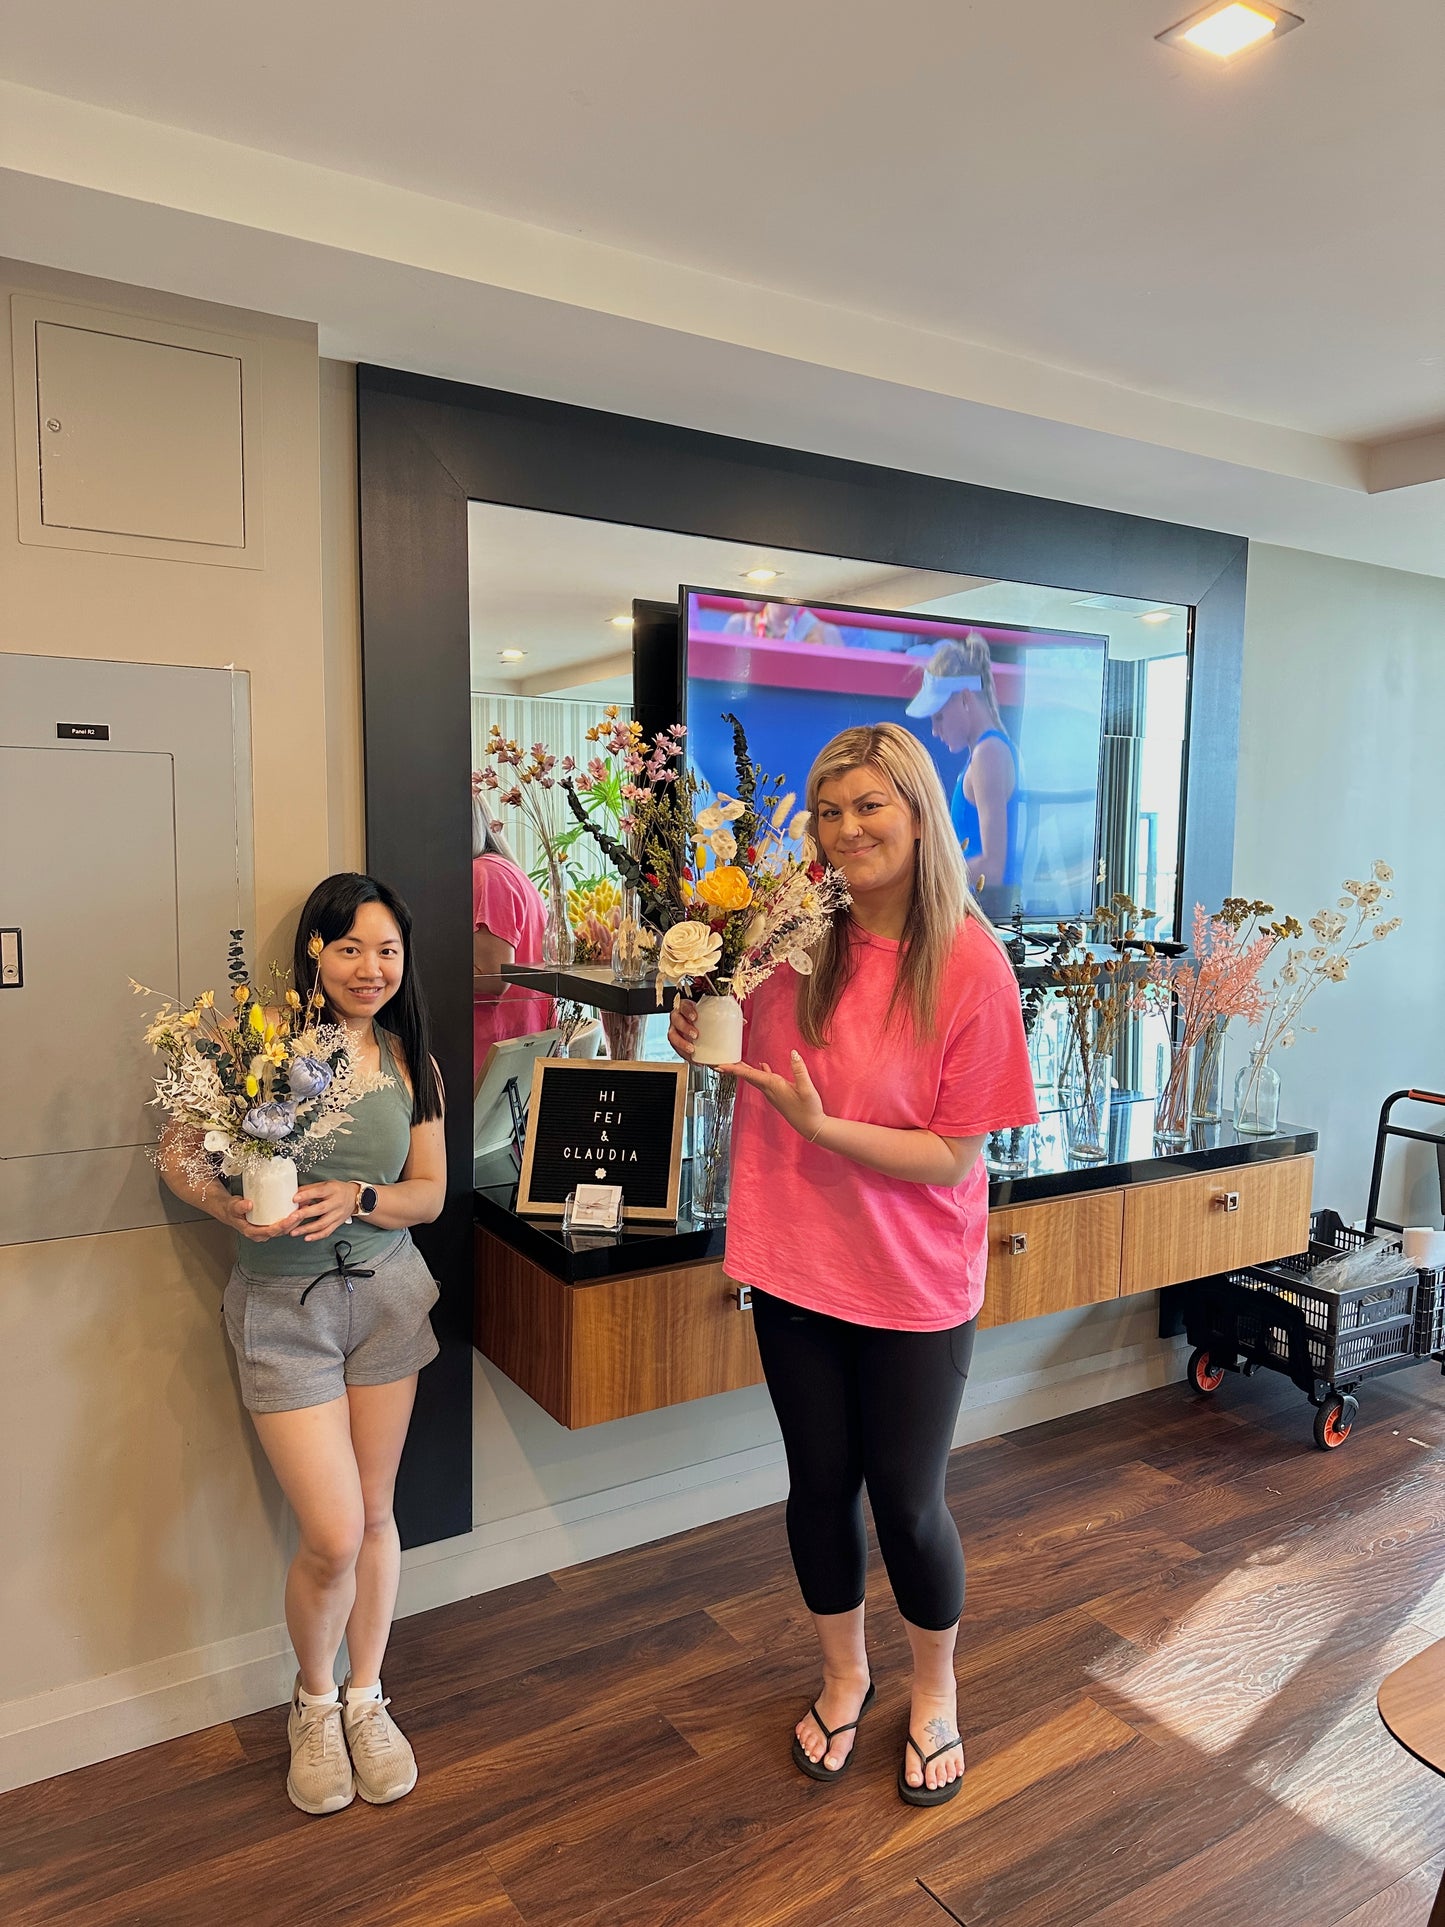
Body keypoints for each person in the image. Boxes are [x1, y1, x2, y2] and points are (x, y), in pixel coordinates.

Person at [669, 723, 1036, 1805]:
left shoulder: (968, 962)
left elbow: (951, 1156)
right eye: (829, 811)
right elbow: (741, 1056)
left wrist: (822, 1130)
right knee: (817, 1489)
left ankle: (934, 1691)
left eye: (869, 806)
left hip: (914, 1282)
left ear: (920, 813)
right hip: (791, 1264)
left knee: (907, 1501)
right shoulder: (787, 940)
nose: (844, 830)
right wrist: (699, 1028)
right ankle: (844, 1675)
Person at [159, 873, 446, 1817]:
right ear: (315, 953)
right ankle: (312, 1702)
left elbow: (429, 1194)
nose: (371, 968)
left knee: (373, 1514)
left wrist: (359, 1196)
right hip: (285, 1311)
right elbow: (177, 1152)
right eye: (351, 947)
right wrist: (227, 1202)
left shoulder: (413, 1059)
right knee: (329, 1534)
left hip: (388, 1301)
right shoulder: (264, 1048)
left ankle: (367, 1696)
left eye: (388, 950)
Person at [906, 633, 1022, 910]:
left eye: (940, 716)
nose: (935, 730)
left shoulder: (989, 753)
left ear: (966, 698)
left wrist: (919, 880)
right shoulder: (988, 751)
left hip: (987, 911)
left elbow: (993, 868)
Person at [472, 797, 555, 1081]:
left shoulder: (483, 874)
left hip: (492, 1051)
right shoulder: (504, 870)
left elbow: (494, 978)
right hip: (520, 1046)